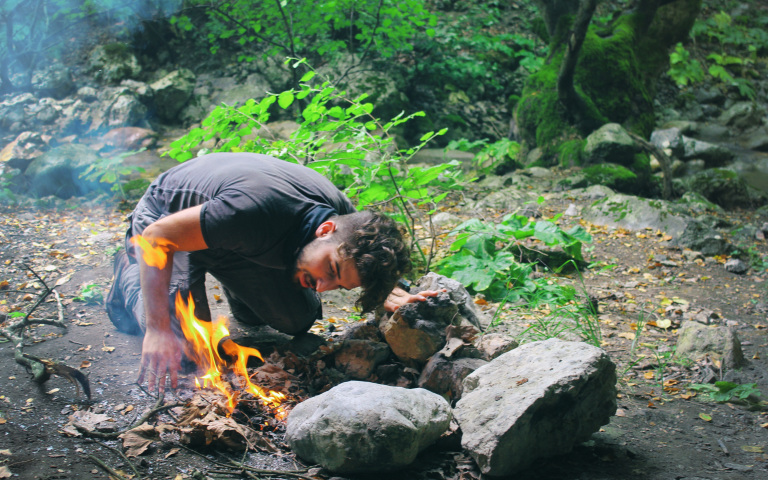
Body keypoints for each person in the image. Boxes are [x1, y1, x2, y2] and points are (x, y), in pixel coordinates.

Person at [106, 152, 435, 393]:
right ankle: (129, 275)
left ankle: (235, 282)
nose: (322, 288)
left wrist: (390, 291)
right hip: (169, 227)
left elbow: (368, 257)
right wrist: (157, 327)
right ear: (325, 229)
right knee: (188, 350)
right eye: (331, 270)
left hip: (232, 239)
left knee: (296, 319)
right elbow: (157, 238)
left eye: (339, 285)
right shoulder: (253, 211)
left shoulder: (348, 229)